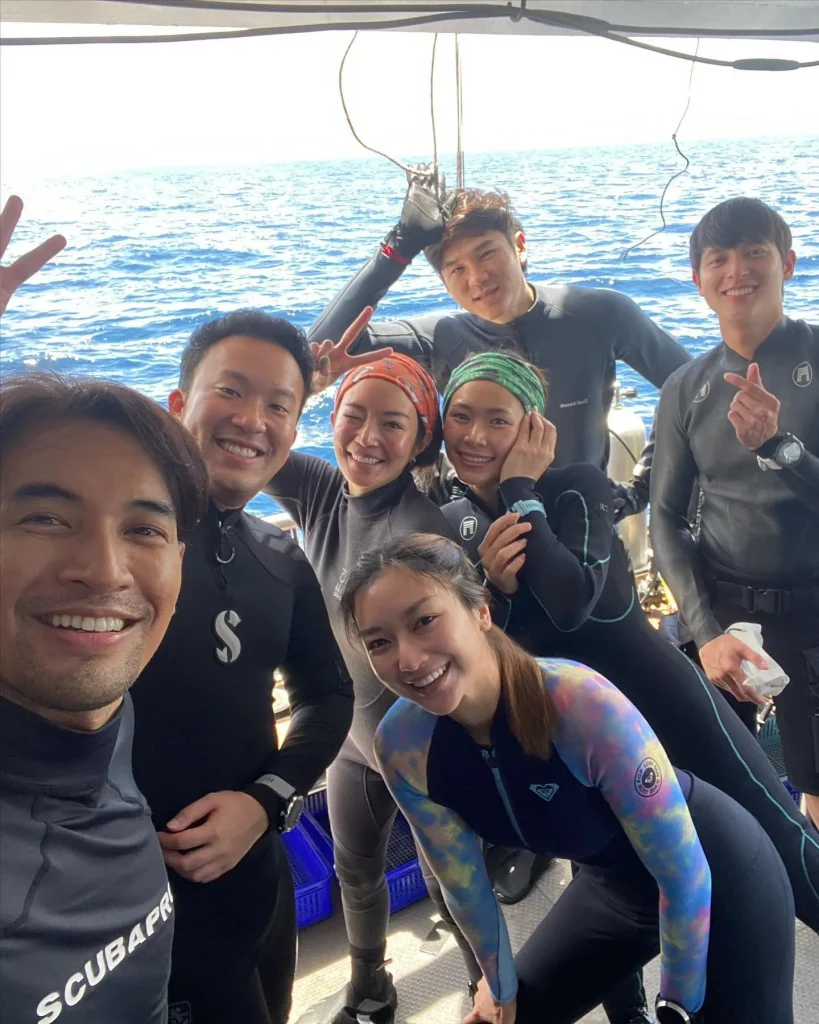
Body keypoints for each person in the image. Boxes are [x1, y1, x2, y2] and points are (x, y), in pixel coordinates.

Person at [437, 351, 819, 1004]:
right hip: (577, 738)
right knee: (607, 878)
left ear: (532, 427)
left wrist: (521, 491)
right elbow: (481, 650)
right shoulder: (453, 524)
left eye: (497, 419)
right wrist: (490, 587)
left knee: (787, 847)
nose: (474, 436)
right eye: (460, 416)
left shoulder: (574, 487)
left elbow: (571, 603)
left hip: (666, 709)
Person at [339, 533, 796, 1024]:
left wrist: (677, 1006)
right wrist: (499, 987)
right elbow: (464, 887)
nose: (407, 660)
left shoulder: (580, 703)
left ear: (480, 611)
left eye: (424, 621)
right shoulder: (404, 747)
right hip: (615, 888)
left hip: (718, 877)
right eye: (379, 642)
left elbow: (685, 876)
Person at [128, 310, 355, 1024]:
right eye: (230, 391)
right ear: (178, 405)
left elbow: (328, 694)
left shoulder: (279, 556)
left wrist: (265, 802)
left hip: (258, 879)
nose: (253, 420)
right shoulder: (112, 544)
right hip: (134, 908)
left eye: (279, 405)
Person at [266, 323, 467, 1024]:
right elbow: (253, 442)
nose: (368, 438)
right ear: (331, 417)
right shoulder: (320, 490)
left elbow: (458, 649)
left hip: (422, 745)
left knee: (449, 880)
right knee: (355, 869)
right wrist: (305, 386)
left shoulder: (424, 529)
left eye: (393, 424)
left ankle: (489, 989)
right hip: (350, 741)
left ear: (420, 441)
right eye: (354, 415)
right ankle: (371, 986)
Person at [0, 371, 208, 1024]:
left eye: (143, 530)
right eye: (45, 519)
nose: (104, 570)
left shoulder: (104, 711)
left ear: (178, 563)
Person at [308, 173, 691, 515]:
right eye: (457, 269)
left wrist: (643, 488)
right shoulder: (441, 337)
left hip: (581, 534)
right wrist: (399, 248)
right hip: (479, 535)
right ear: (444, 282)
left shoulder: (598, 315)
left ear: (519, 246)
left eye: (486, 253)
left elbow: (693, 388)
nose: (477, 278)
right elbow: (320, 349)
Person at [650, 197, 819, 828]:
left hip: (812, 615)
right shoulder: (685, 388)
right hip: (721, 615)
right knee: (713, 795)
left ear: (788, 264)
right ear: (698, 280)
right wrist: (707, 629)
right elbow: (666, 518)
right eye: (718, 259)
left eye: (754, 253)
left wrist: (780, 449)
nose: (736, 271)